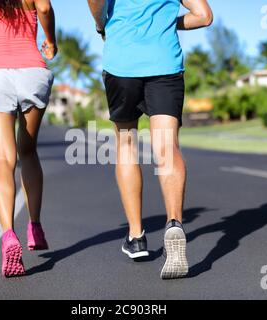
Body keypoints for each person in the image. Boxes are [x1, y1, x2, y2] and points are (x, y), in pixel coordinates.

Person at [87, 0, 213, 279]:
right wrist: (168, 24)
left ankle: (136, 237)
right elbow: (204, 17)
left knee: (126, 146)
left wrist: (101, 25)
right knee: (167, 147)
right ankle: (174, 223)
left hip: (122, 63)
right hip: (165, 63)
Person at [0, 0, 57, 277]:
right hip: (32, 71)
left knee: (4, 158)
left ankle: (8, 235)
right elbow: (44, 9)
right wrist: (51, 41)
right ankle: (35, 227)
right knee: (28, 151)